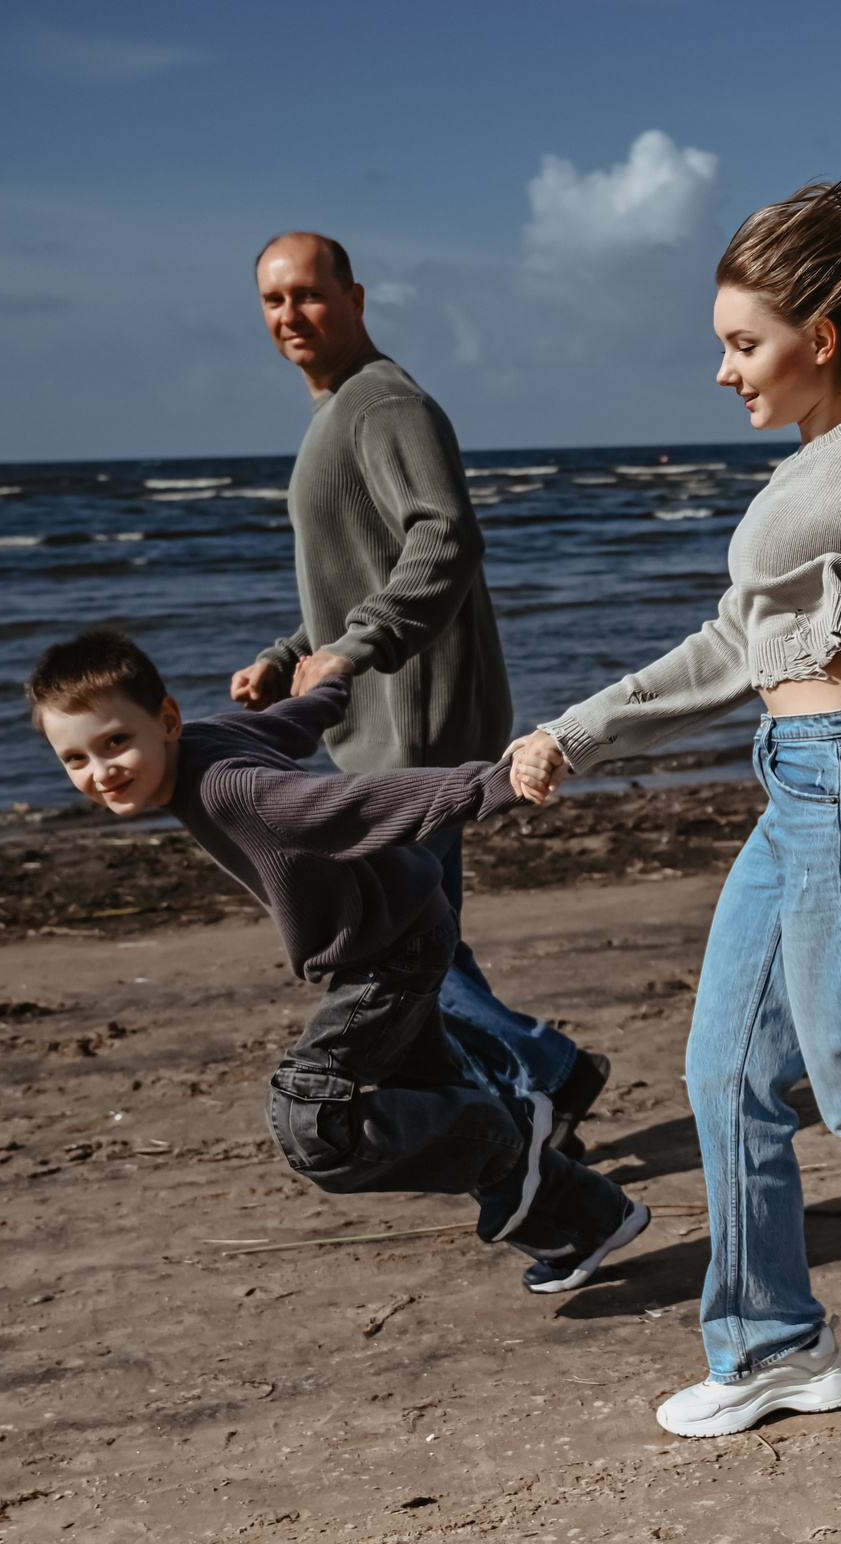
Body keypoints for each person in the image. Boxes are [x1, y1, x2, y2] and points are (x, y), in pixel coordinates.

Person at [502, 183, 841, 1437]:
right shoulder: (818, 470)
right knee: (723, 1073)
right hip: (799, 792)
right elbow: (733, 645)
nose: (724, 369)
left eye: (744, 343)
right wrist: (578, 728)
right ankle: (774, 1344)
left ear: (822, 339)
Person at [26, 628, 649, 1290]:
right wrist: (330, 677)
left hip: (390, 953)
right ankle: (590, 1218)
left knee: (311, 1120)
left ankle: (514, 1122)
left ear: (168, 720)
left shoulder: (229, 791)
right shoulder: (208, 740)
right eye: (75, 759)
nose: (100, 771)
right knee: (432, 1101)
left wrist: (494, 782)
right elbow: (295, 723)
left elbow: (357, 803)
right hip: (397, 931)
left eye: (115, 742)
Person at [237, 231, 609, 1291]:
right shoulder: (338, 413)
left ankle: (540, 1080)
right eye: (272, 300)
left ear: (354, 296)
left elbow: (442, 540)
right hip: (374, 724)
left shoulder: (384, 403)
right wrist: (286, 657)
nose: (290, 315)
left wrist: (357, 651)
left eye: (308, 294)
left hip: (414, 733)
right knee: (422, 939)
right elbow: (352, 578)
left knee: (409, 945)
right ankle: (544, 1075)